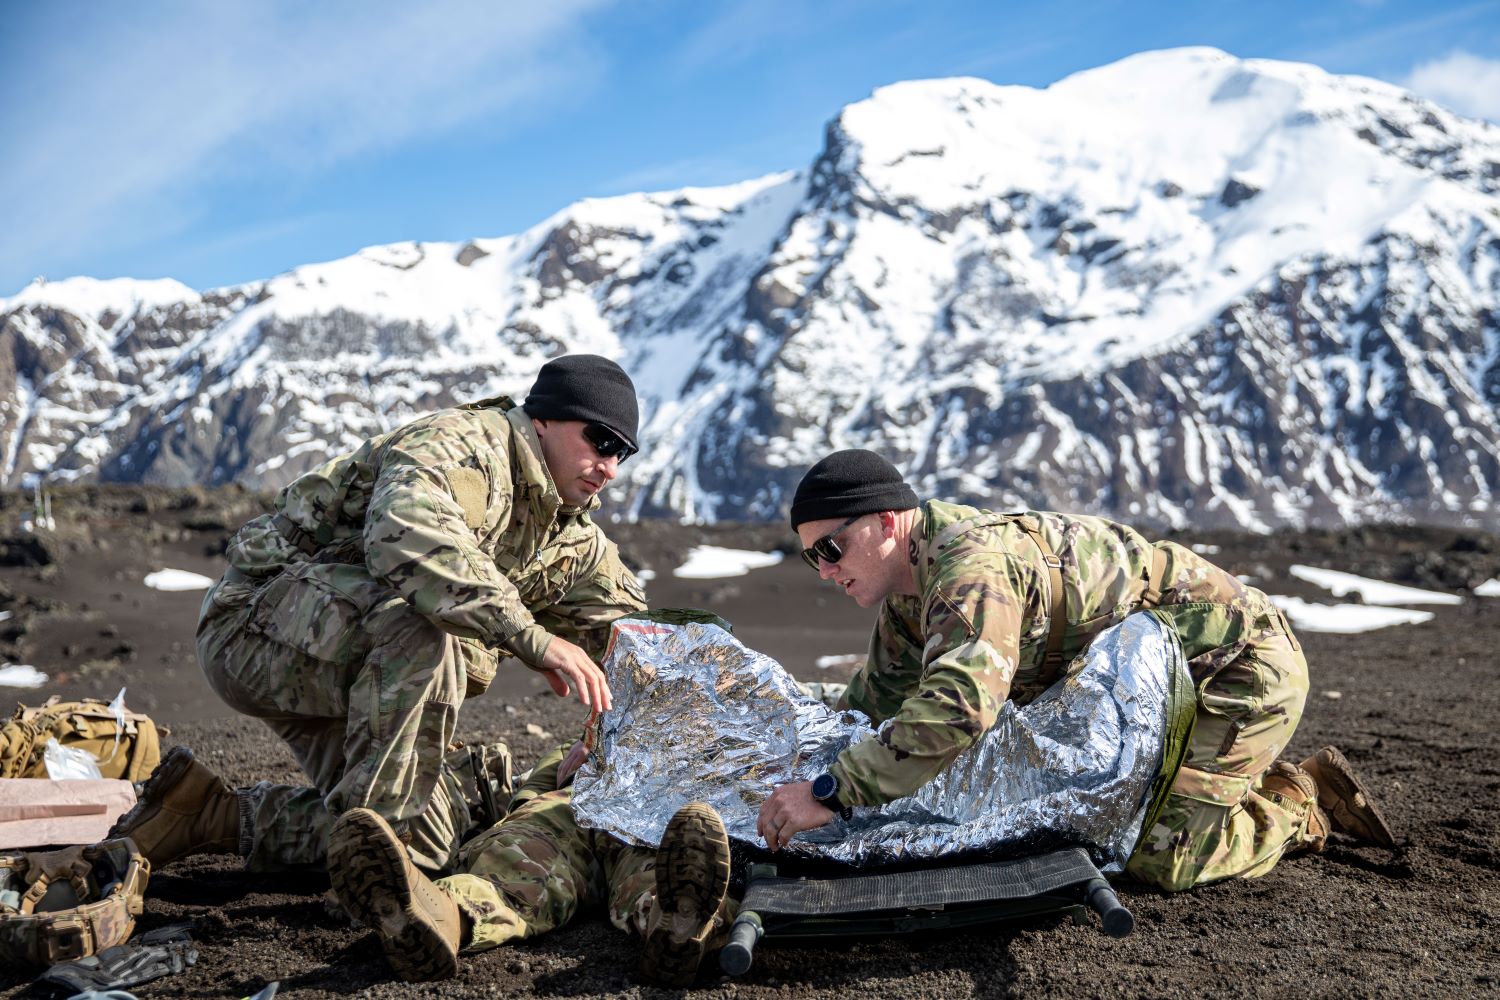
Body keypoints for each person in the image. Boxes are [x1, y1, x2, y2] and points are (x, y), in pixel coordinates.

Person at [756, 449, 1396, 891]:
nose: (825, 570)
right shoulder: (906, 599)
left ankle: (1304, 802)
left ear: (886, 520)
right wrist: (795, 768)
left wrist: (833, 795)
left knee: (1159, 858)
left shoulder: (968, 571)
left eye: (831, 548)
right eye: (811, 558)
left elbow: (959, 705)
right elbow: (875, 705)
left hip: (1234, 670)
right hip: (1148, 691)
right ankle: (1217, 790)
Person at [110, 354, 648, 874]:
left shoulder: (571, 536)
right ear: (546, 417)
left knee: (434, 841)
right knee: (421, 627)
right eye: (600, 441)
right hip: (255, 629)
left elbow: (642, 640)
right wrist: (530, 638)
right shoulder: (465, 448)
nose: (610, 468)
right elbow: (406, 538)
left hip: (364, 671)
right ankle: (369, 875)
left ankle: (207, 815)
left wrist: (604, 744)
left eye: (622, 453)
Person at [324, 744, 733, 987]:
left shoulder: (727, 739)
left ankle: (678, 925)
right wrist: (585, 758)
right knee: (515, 862)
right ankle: (432, 914)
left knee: (672, 871)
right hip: (569, 811)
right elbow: (530, 796)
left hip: (656, 821)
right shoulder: (588, 735)